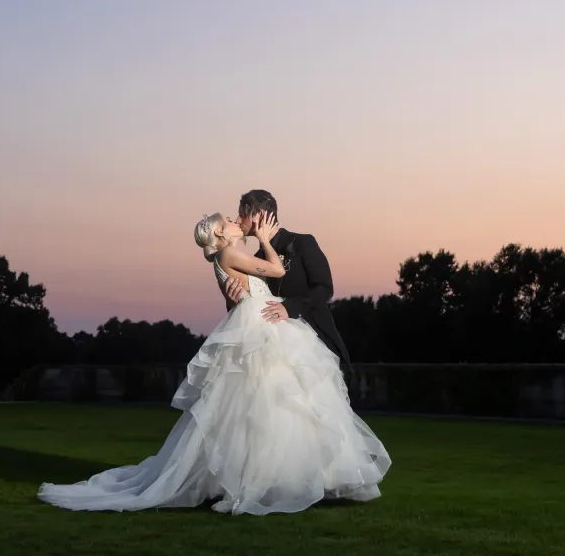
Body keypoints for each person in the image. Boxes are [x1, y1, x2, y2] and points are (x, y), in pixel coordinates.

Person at [36, 207, 390, 515]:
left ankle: (279, 477)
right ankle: (258, 482)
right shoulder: (229, 256)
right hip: (260, 326)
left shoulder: (227, 258)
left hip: (261, 322)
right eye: (230, 221)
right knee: (263, 404)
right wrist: (266, 239)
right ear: (221, 233)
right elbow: (277, 272)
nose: (237, 222)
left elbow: (251, 289)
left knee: (268, 404)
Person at [218, 189, 350, 366]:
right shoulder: (256, 259)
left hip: (317, 344)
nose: (238, 220)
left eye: (243, 215)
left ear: (260, 215)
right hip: (278, 355)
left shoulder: (303, 242)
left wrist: (290, 307)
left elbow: (324, 289)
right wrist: (232, 302)